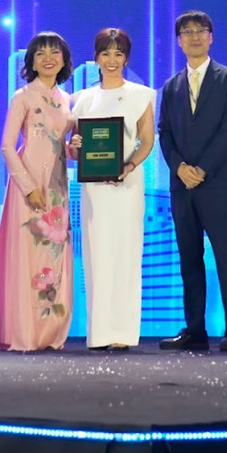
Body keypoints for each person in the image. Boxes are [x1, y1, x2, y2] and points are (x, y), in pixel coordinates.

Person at [156, 11, 227, 352]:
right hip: (182, 187)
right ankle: (195, 330)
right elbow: (165, 133)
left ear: (211, 36)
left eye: (200, 30)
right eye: (187, 32)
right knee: (189, 259)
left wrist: (202, 169)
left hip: (217, 183)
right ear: (179, 41)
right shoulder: (171, 86)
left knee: (225, 255)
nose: (194, 36)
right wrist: (179, 167)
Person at [0, 32, 76, 351]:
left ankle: (49, 333)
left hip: (58, 188)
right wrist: (27, 186)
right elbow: (7, 146)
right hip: (29, 185)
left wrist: (75, 148)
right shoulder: (22, 96)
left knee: (53, 257)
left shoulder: (67, 99)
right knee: (27, 257)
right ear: (31, 62)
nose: (48, 58)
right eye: (40, 53)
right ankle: (23, 332)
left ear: (64, 60)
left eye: (55, 52)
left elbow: (62, 147)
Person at [69, 28, 156, 351]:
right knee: (97, 254)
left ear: (126, 58)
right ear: (96, 58)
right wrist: (75, 146)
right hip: (94, 189)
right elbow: (73, 147)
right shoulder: (82, 99)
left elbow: (146, 141)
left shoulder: (141, 95)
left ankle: (123, 333)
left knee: (126, 254)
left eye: (118, 53)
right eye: (106, 53)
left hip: (127, 185)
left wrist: (128, 166)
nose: (112, 60)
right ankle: (99, 332)